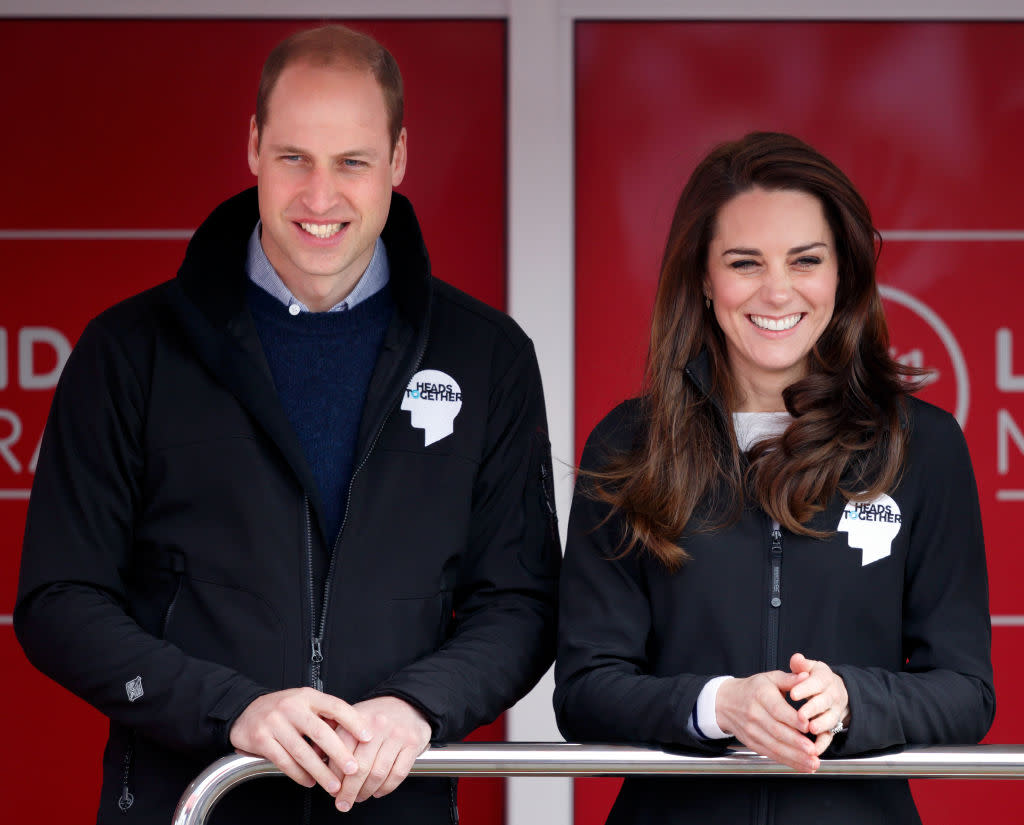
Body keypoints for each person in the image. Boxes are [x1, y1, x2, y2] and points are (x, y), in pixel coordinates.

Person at [15, 24, 560, 825]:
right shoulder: (130, 350)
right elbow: (59, 599)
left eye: (352, 162)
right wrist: (229, 709)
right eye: (294, 157)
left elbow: (519, 600)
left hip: (389, 804)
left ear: (398, 160)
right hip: (189, 801)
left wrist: (416, 706)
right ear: (253, 148)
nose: (319, 196)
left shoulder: (488, 357)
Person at [554, 132, 994, 824]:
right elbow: (584, 690)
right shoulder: (630, 442)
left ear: (842, 273)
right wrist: (718, 704)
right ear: (702, 276)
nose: (778, 290)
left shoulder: (922, 446)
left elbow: (967, 690)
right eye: (745, 262)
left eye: (805, 260)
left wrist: (852, 698)